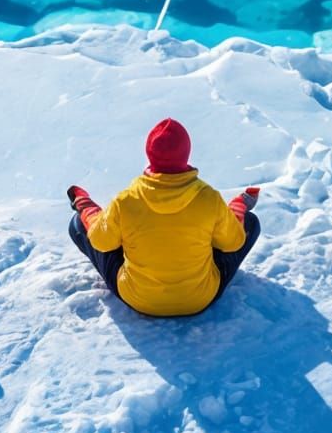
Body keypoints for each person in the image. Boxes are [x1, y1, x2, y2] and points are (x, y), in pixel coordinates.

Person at [66, 118, 260, 317]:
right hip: (199, 298)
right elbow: (233, 242)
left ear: (149, 154)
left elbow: (100, 241)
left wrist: (85, 206)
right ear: (186, 153)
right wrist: (239, 206)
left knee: (79, 225)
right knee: (250, 223)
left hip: (139, 299)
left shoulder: (126, 200)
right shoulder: (208, 198)